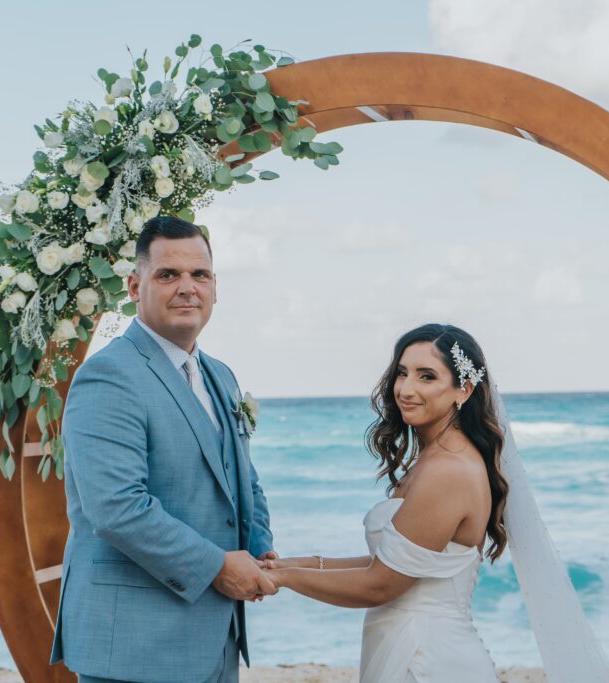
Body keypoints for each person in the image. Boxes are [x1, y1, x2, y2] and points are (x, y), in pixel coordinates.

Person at [49, 216, 277, 683]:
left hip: (215, 638)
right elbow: (116, 507)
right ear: (135, 285)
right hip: (135, 646)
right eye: (168, 275)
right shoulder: (109, 376)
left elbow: (241, 477)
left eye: (200, 275)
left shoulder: (221, 376)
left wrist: (259, 547)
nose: (187, 287)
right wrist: (218, 567)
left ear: (216, 286)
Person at [262, 324, 507, 681]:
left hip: (427, 658)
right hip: (407, 642)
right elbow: (395, 562)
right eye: (402, 373)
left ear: (463, 390)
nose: (406, 389)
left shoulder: (449, 470)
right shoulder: (436, 457)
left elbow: (382, 584)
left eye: (427, 377)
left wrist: (285, 578)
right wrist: (295, 563)